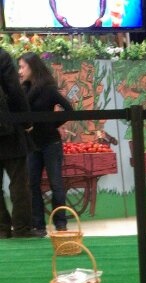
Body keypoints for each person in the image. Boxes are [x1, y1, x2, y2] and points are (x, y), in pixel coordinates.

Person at [19, 53, 73, 236]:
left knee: (56, 184)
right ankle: (38, 225)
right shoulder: (24, 91)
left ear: (32, 67)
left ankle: (61, 224)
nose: (20, 71)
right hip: (33, 145)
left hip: (51, 143)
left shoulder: (48, 90)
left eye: (22, 67)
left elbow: (69, 110)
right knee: (32, 184)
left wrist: (52, 124)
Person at [0, 48, 33, 238]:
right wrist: (26, 121)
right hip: (8, 130)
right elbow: (14, 90)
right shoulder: (2, 56)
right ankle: (22, 228)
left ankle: (2, 229)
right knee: (19, 182)